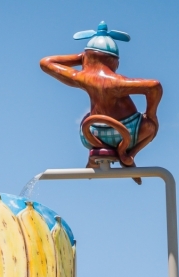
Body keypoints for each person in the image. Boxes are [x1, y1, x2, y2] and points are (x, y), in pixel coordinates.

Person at [40, 22, 162, 169]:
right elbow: (154, 86)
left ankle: (96, 154)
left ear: (87, 58)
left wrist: (80, 57)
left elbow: (46, 62)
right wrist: (151, 114)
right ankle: (129, 155)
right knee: (151, 126)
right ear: (115, 62)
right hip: (128, 135)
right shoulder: (117, 82)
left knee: (87, 118)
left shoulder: (82, 78)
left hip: (93, 134)